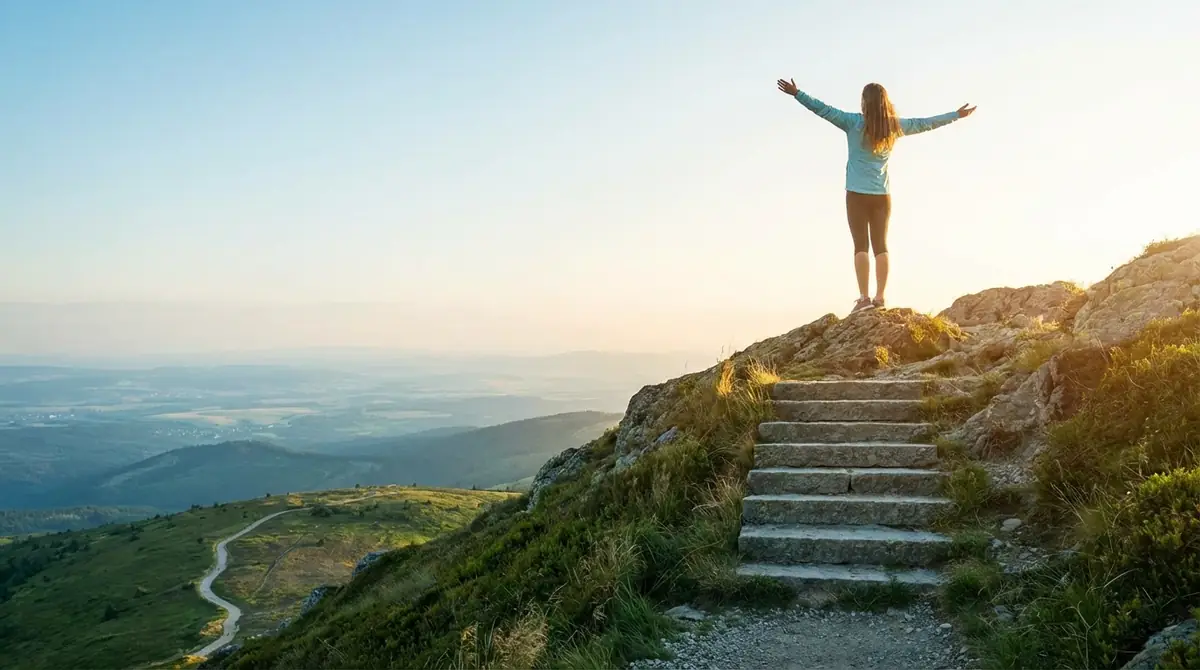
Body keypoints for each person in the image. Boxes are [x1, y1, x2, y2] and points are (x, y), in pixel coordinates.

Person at [776, 78, 976, 313]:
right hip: (882, 196)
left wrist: (797, 94)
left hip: (856, 195)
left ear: (864, 102)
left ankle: (863, 299)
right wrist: (955, 115)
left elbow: (823, 109)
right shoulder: (893, 126)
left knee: (860, 245)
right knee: (881, 246)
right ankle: (880, 298)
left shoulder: (852, 122)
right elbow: (925, 123)